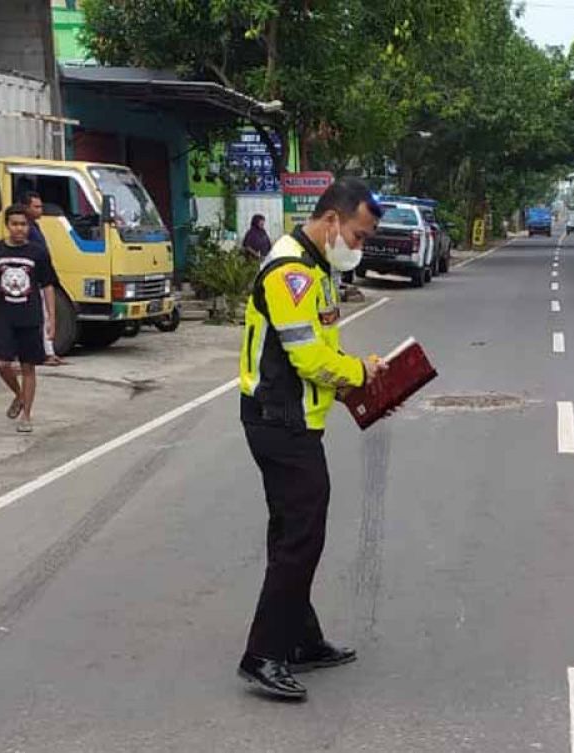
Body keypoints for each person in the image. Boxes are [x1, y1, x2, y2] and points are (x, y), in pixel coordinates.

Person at [236, 177, 389, 701]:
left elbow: (317, 348)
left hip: (295, 418)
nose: (359, 245)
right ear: (331, 222)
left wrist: (351, 389)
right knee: (301, 535)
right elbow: (307, 356)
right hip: (279, 421)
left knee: (292, 531)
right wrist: (361, 373)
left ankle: (299, 639)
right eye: (359, 234)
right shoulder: (291, 271)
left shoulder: (314, 267)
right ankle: (264, 655)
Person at [0, 204, 59, 433]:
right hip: (3, 316)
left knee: (29, 367)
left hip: (30, 316)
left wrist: (52, 319)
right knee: (2, 363)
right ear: (7, 226)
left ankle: (26, 415)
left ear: (29, 227)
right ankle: (19, 395)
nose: (19, 229)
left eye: (23, 224)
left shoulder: (38, 252)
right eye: (14, 224)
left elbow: (48, 286)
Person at [19, 191, 64, 366]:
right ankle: (46, 353)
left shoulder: (35, 226)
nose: (40, 210)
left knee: (44, 314)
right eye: (36, 207)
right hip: (32, 278)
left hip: (40, 276)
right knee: (41, 315)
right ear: (26, 207)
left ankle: (48, 351)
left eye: (41, 206)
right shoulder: (26, 228)